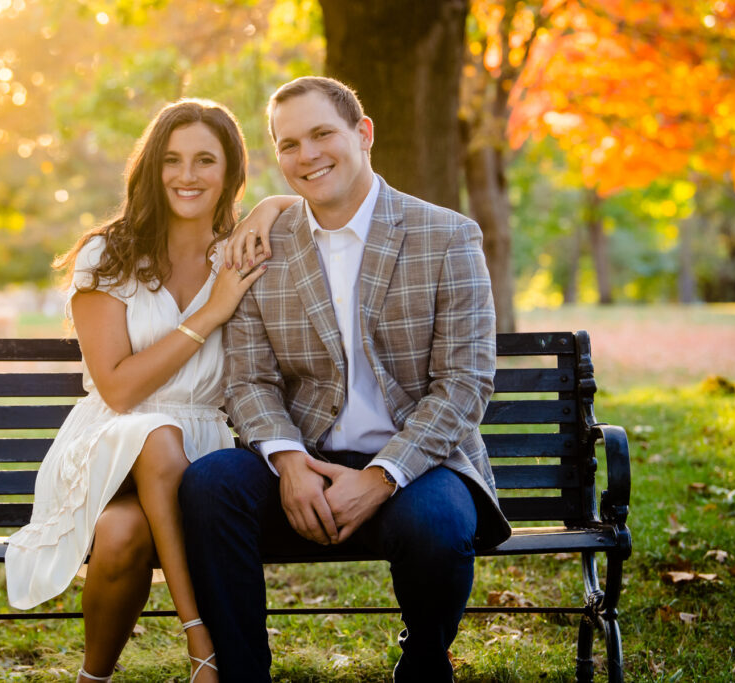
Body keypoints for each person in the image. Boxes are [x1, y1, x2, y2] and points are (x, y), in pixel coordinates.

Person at [179, 76, 513, 682]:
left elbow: (464, 383)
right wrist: (288, 461)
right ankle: (243, 673)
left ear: (363, 134)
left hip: (418, 466)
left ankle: (423, 663)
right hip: (303, 463)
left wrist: (382, 477)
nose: (306, 156)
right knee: (209, 485)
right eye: (288, 145)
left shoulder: (446, 235)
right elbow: (248, 380)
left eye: (322, 134)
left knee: (438, 524)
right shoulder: (260, 247)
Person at [4, 98, 292, 683]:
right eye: (172, 160)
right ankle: (201, 643)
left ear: (231, 172)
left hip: (202, 447)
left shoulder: (241, 252)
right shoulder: (106, 256)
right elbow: (118, 389)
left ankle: (93, 678)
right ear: (150, 169)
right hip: (109, 440)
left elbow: (310, 204)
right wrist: (210, 314)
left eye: (205, 160)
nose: (187, 176)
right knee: (156, 435)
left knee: (123, 531)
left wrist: (267, 207)